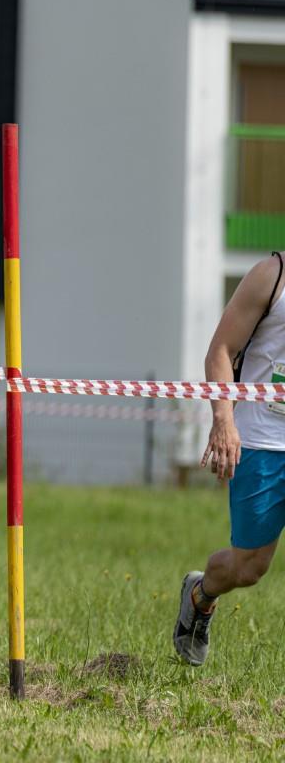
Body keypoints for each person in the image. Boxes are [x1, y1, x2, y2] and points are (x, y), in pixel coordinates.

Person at [175, 252, 285, 666]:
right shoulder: (271, 276)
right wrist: (224, 420)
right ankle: (200, 595)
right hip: (263, 442)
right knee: (248, 568)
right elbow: (220, 350)